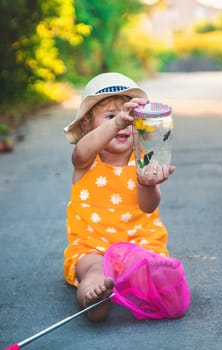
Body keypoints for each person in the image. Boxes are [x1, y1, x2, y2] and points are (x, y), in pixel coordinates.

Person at [63, 72, 186, 322]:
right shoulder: (86, 162)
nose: (124, 125)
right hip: (93, 248)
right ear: (87, 124)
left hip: (138, 246)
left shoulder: (143, 161)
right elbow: (80, 152)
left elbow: (148, 207)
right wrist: (117, 122)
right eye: (110, 116)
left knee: (154, 264)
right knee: (93, 270)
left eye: (131, 120)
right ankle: (94, 298)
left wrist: (147, 184)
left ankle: (152, 286)